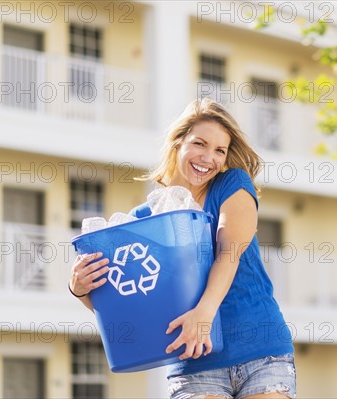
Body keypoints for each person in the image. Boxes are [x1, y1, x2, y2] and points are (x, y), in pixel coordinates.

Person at [68, 98, 296, 399]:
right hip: (194, 364)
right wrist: (81, 289)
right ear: (178, 142)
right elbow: (125, 301)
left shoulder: (232, 185)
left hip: (261, 352)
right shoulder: (142, 221)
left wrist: (204, 314)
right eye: (199, 144)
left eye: (220, 150)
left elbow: (229, 253)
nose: (209, 158)